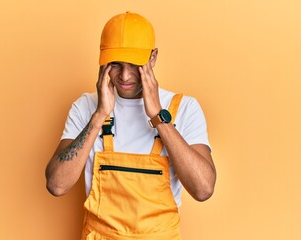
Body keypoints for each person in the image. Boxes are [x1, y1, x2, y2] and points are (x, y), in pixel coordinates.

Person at [45, 11, 216, 240]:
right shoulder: (85, 107)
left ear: (153, 58)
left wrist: (158, 116)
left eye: (134, 64)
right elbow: (56, 185)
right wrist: (99, 115)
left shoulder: (184, 109)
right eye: (115, 64)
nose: (125, 76)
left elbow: (203, 189)